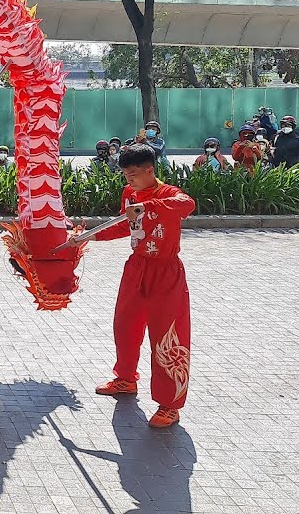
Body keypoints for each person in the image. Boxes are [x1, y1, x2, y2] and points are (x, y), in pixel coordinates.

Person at [90, 143, 195, 429]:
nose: (129, 181)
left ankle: (169, 405)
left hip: (166, 272)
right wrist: (89, 237)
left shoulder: (168, 193)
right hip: (136, 267)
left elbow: (187, 205)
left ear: (150, 170)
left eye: (134, 175)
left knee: (167, 336)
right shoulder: (130, 194)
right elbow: (126, 225)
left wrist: (147, 205)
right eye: (125, 175)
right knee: (125, 325)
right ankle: (125, 379)